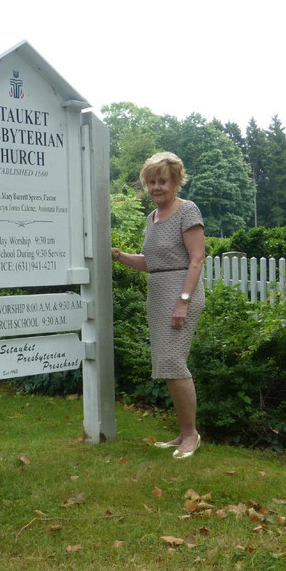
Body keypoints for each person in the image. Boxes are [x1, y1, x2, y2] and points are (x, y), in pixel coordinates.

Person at [111, 151, 206, 458]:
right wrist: (121, 256)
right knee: (167, 365)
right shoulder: (151, 219)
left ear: (175, 181)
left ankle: (191, 435)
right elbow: (151, 262)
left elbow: (197, 259)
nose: (156, 187)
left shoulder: (187, 211)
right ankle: (182, 433)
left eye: (162, 181)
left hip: (181, 293)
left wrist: (183, 301)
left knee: (174, 362)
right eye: (151, 182)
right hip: (158, 293)